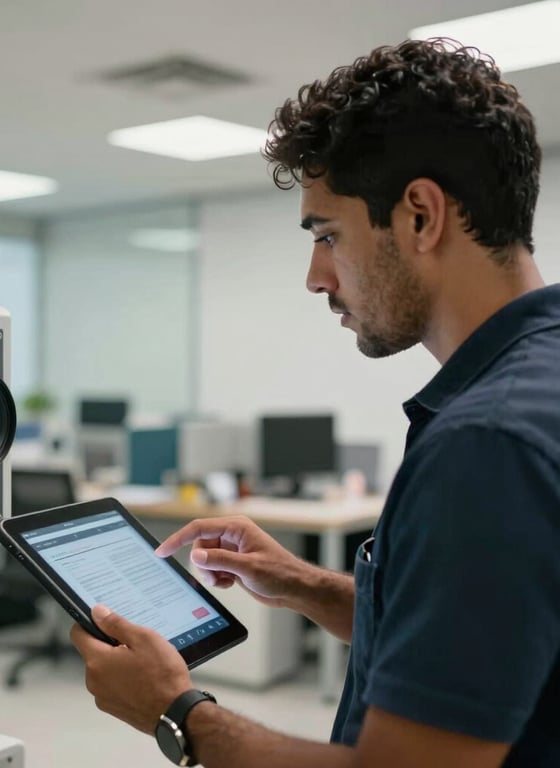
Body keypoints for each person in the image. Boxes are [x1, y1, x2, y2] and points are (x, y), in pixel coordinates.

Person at [70, 38, 560, 767]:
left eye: (328, 235)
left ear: (420, 216)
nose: (315, 277)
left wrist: (177, 712)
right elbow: (484, 644)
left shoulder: (485, 444)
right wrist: (303, 583)